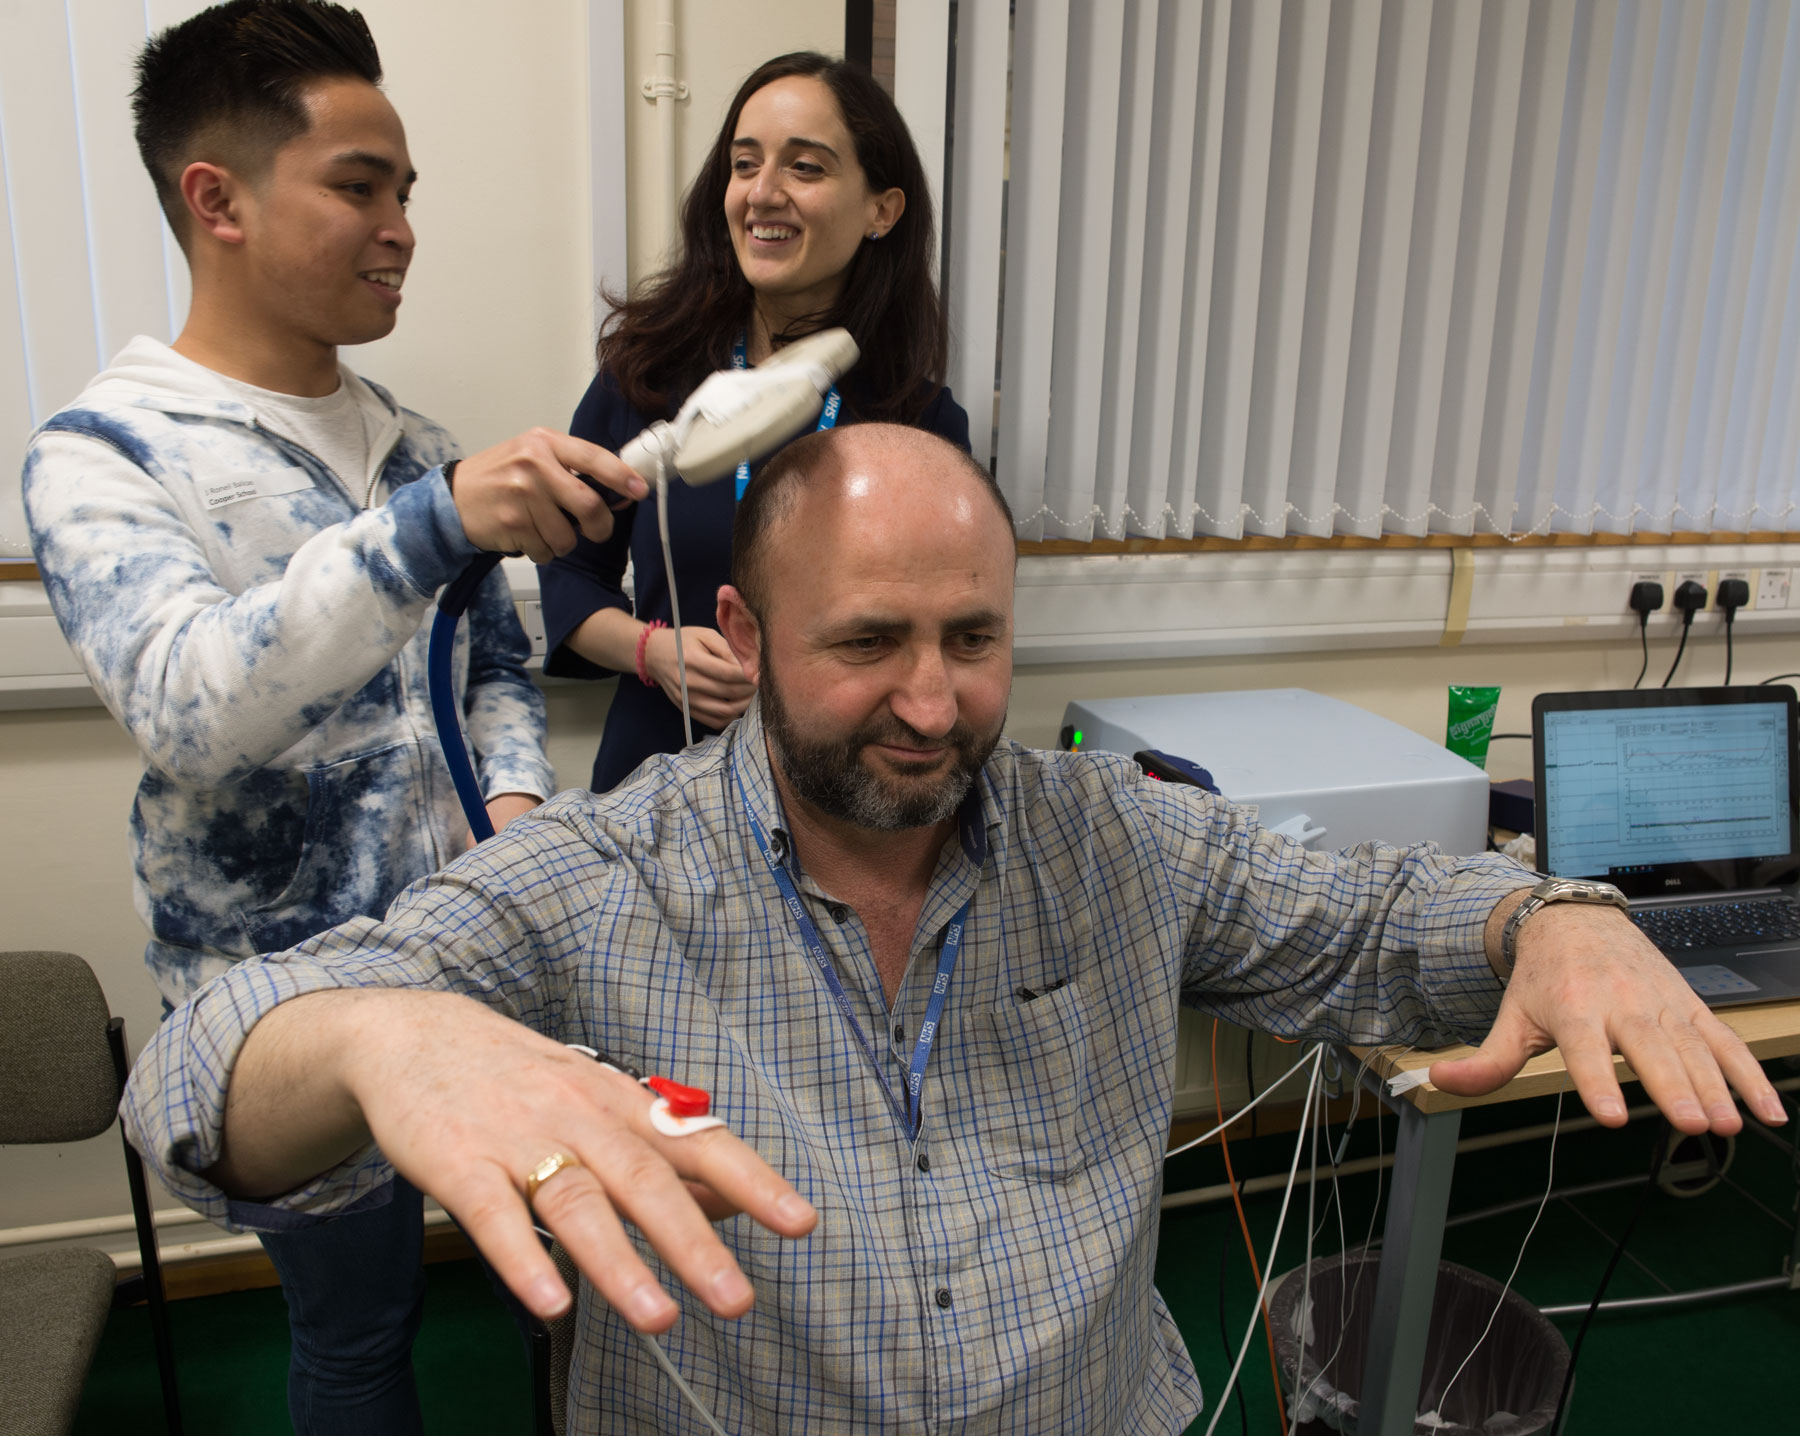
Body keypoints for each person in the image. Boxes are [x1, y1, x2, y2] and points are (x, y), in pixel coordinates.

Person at [122, 425, 1784, 1434]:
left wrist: (1552, 918)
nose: (934, 702)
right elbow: (188, 1087)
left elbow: (1378, 921)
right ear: (744, 634)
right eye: (870, 641)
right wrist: (370, 1030)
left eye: (975, 636)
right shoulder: (605, 880)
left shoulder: (1119, 837)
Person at [22, 3, 646, 1431]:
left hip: (479, 954)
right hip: (289, 1018)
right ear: (217, 198)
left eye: (407, 190)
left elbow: (493, 664)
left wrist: (516, 818)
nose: (401, 225)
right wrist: (427, 529)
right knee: (360, 1331)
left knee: (573, 1271)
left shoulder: (414, 443)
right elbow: (190, 707)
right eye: (359, 185)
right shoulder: (106, 451)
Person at [539, 51, 971, 793]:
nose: (763, 193)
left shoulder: (919, 421)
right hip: (655, 774)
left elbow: (938, 637)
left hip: (834, 788)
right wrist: (652, 651)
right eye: (745, 165)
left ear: (881, 210)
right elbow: (569, 568)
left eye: (805, 168)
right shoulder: (647, 377)